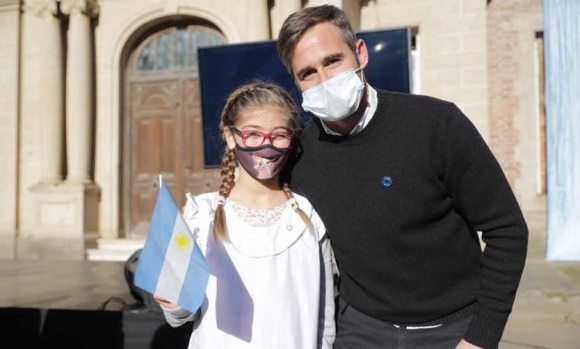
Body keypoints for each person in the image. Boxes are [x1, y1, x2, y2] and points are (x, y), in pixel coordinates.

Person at [276, 5, 528, 349]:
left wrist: (481, 336)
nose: (324, 80)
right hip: (360, 332)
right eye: (308, 73)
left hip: (454, 331)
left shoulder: (436, 125)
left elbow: (507, 230)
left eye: (332, 61)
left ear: (360, 53)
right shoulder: (300, 157)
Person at [152, 81, 336, 348]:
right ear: (230, 136)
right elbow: (180, 315)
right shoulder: (200, 216)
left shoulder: (309, 216)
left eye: (279, 135)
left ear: (291, 139)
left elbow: (325, 320)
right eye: (253, 134)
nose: (266, 145)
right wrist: (173, 299)